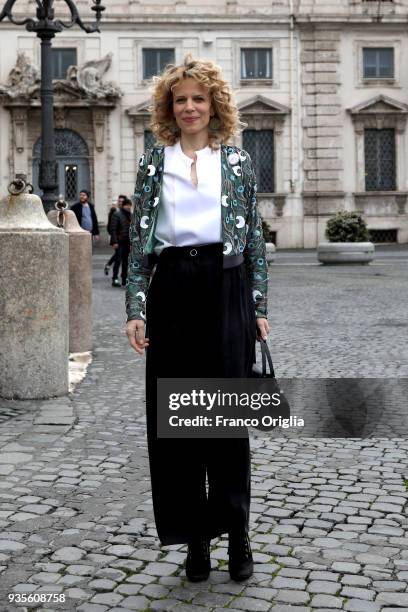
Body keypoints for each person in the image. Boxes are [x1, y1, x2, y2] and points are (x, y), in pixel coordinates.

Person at [125, 55, 269, 583]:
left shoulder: (236, 164)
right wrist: (136, 310)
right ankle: (195, 542)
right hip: (172, 293)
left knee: (226, 424)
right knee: (178, 428)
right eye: (180, 99)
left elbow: (253, 238)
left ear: (214, 106)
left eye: (198, 99)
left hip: (225, 287)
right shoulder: (151, 164)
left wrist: (258, 307)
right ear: (169, 107)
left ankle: (237, 535)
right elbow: (139, 244)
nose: (189, 107)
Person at [110, 197, 132, 287]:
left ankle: (124, 279)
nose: (128, 207)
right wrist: (114, 242)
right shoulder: (116, 214)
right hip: (119, 242)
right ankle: (115, 278)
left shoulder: (131, 215)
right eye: (127, 205)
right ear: (123, 206)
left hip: (128, 242)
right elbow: (113, 229)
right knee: (118, 260)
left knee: (126, 262)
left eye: (130, 205)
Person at [104, 195, 126, 276]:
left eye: (122, 201)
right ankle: (115, 275)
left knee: (118, 255)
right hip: (116, 238)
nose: (120, 203)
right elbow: (110, 225)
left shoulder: (125, 212)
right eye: (119, 201)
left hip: (123, 238)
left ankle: (109, 265)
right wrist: (113, 239)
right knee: (118, 255)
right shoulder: (114, 211)